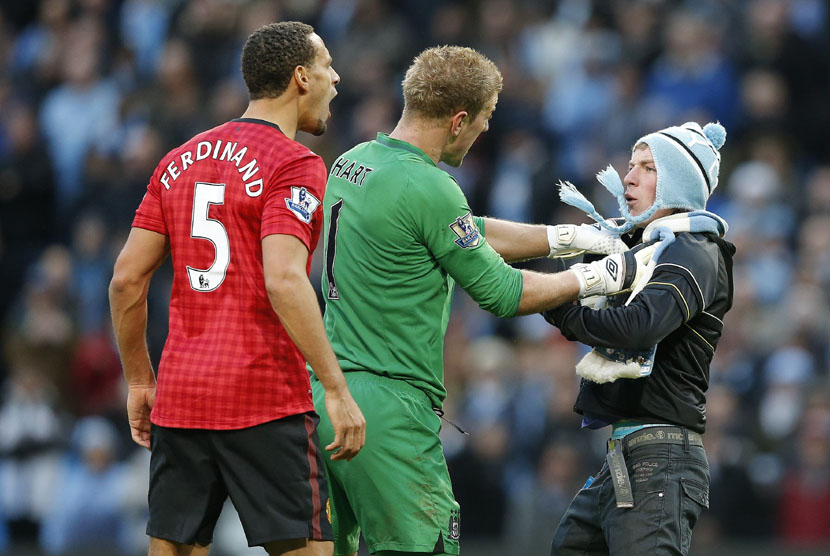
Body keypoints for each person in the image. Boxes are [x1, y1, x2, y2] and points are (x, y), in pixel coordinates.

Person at [308, 45, 653, 556]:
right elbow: (503, 292)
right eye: (486, 117)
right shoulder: (431, 186)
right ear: (459, 119)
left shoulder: (353, 162)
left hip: (328, 399)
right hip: (391, 411)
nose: (487, 130)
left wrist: (564, 238)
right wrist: (601, 275)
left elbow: (456, 231)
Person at [108, 22, 365, 556]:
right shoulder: (293, 164)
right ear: (300, 78)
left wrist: (139, 381)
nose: (336, 78)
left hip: (181, 399)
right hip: (265, 399)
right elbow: (285, 278)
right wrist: (336, 389)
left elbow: (126, 280)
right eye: (326, 66)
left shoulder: (176, 161)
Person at [543, 121, 736, 556]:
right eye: (631, 164)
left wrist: (560, 308)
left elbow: (638, 327)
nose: (628, 177)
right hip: (628, 456)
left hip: (663, 457)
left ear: (679, 183)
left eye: (648, 167)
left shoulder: (694, 250)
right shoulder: (638, 247)